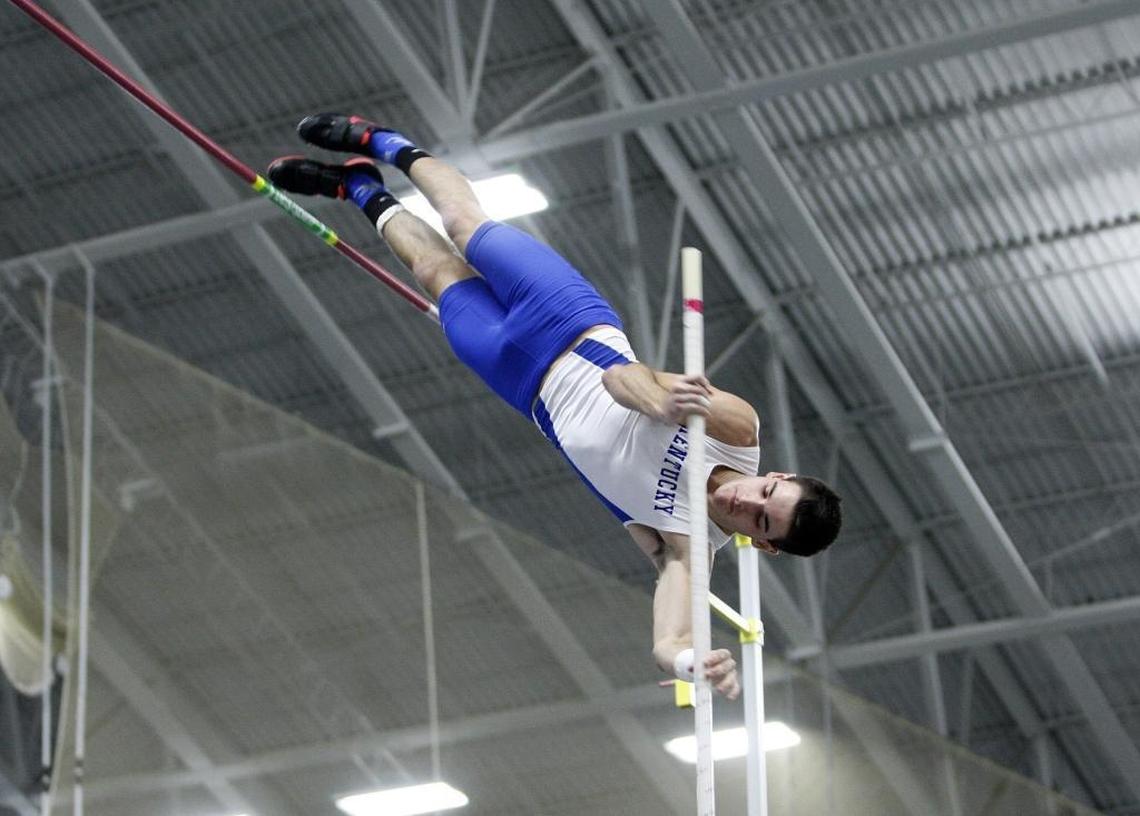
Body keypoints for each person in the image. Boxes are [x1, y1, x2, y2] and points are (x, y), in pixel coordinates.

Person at [268, 114, 842, 700]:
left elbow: (666, 643)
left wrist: (692, 662)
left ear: (763, 544)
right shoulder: (736, 430)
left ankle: (356, 187)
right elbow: (621, 378)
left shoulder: (689, 549)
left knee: (434, 271)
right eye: (766, 492)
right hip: (567, 319)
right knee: (465, 225)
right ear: (777, 475)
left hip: (520, 379)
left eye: (759, 519)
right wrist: (664, 403)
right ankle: (381, 142)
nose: (747, 500)